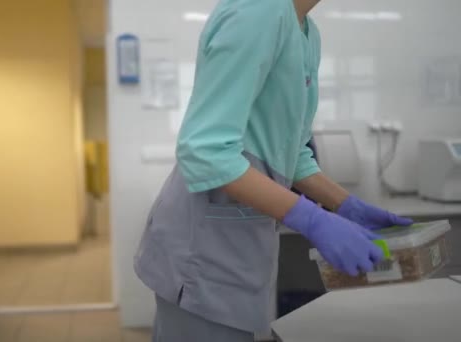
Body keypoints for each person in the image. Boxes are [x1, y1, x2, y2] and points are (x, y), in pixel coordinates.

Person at [134, 0, 413, 341]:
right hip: (202, 254)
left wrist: (346, 206)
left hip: (240, 245)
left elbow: (292, 152)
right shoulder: (259, 9)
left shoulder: (307, 33)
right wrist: (314, 220)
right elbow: (204, 151)